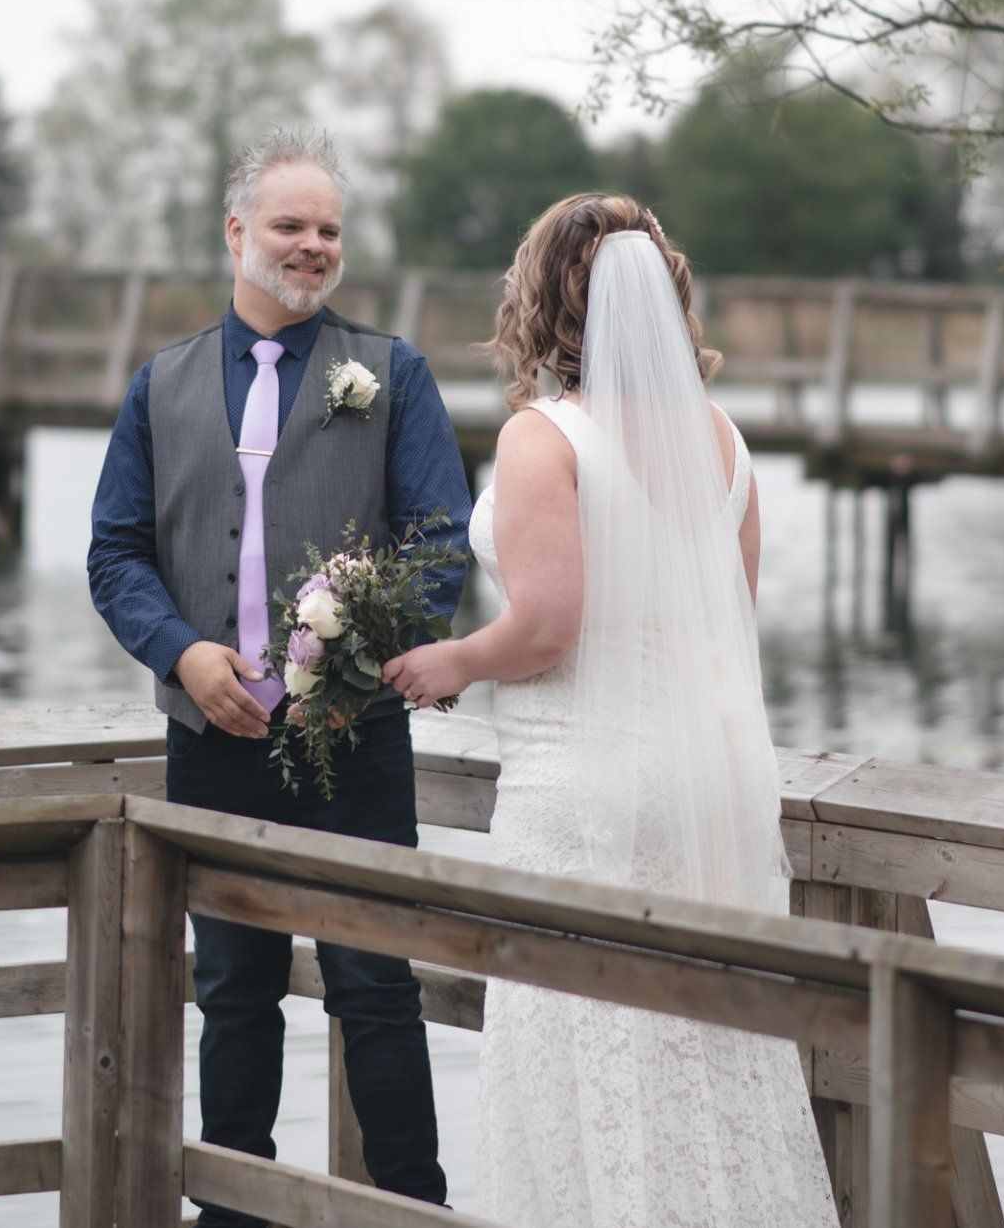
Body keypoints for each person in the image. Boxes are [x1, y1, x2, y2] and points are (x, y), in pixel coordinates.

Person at [382, 193, 838, 1226]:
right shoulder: (722, 441)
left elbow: (546, 627)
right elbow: (729, 624)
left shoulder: (545, 438)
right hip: (701, 784)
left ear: (540, 301)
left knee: (581, 1051)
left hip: (583, 789)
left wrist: (447, 658)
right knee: (705, 1054)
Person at [87, 126, 469, 1225]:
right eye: (291, 225)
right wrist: (182, 651)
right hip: (210, 741)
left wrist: (358, 663)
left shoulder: (390, 373)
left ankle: (412, 1211)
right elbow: (115, 553)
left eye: (330, 230)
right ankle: (232, 1214)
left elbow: (441, 541)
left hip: (355, 743)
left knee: (376, 991)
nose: (312, 247)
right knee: (233, 998)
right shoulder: (160, 385)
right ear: (237, 232)